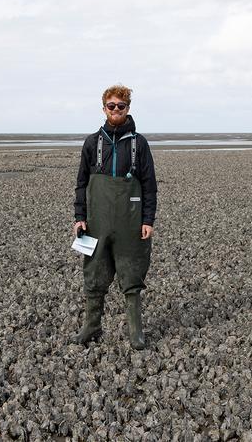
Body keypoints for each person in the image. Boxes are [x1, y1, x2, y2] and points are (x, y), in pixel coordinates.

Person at [72, 84, 157, 350]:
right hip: (97, 221)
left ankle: (135, 332)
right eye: (111, 106)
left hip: (130, 222)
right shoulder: (92, 143)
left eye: (121, 106)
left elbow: (149, 185)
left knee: (132, 274)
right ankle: (92, 327)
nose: (116, 110)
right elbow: (81, 184)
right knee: (94, 272)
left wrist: (147, 220)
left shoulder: (139, 144)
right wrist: (79, 217)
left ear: (128, 108)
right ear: (104, 108)